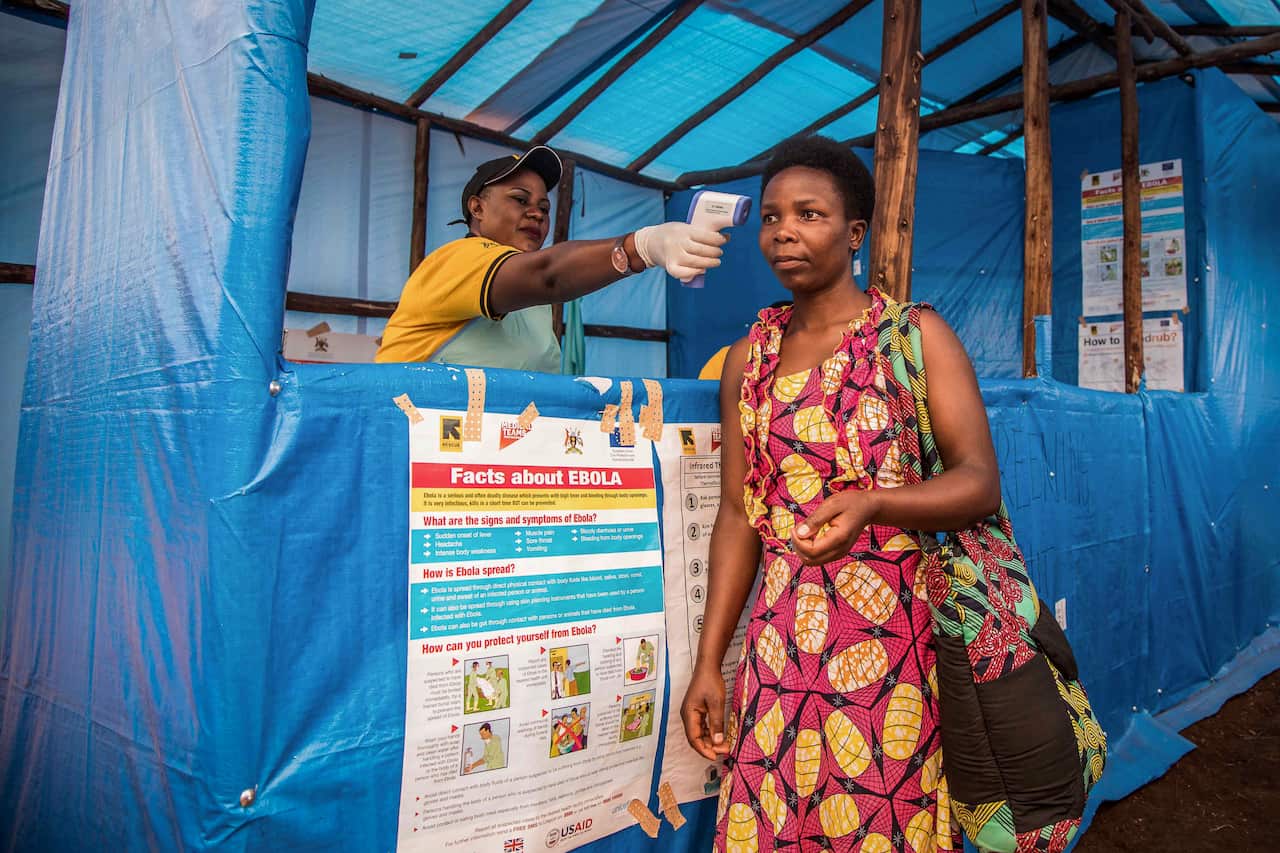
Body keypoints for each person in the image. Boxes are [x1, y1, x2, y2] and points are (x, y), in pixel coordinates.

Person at [680, 136, 1002, 851]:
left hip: (893, 643)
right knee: (775, 816)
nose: (784, 231)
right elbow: (739, 513)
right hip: (780, 647)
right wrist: (711, 662)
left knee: (883, 814)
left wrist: (875, 503)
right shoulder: (749, 356)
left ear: (855, 233)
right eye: (771, 217)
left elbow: (978, 482)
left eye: (810, 214)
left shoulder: (912, 335)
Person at [376, 145, 726, 371]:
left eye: (544, 206)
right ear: (477, 208)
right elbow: (549, 274)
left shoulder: (533, 305)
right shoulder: (456, 260)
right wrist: (642, 247)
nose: (537, 214)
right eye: (519, 199)